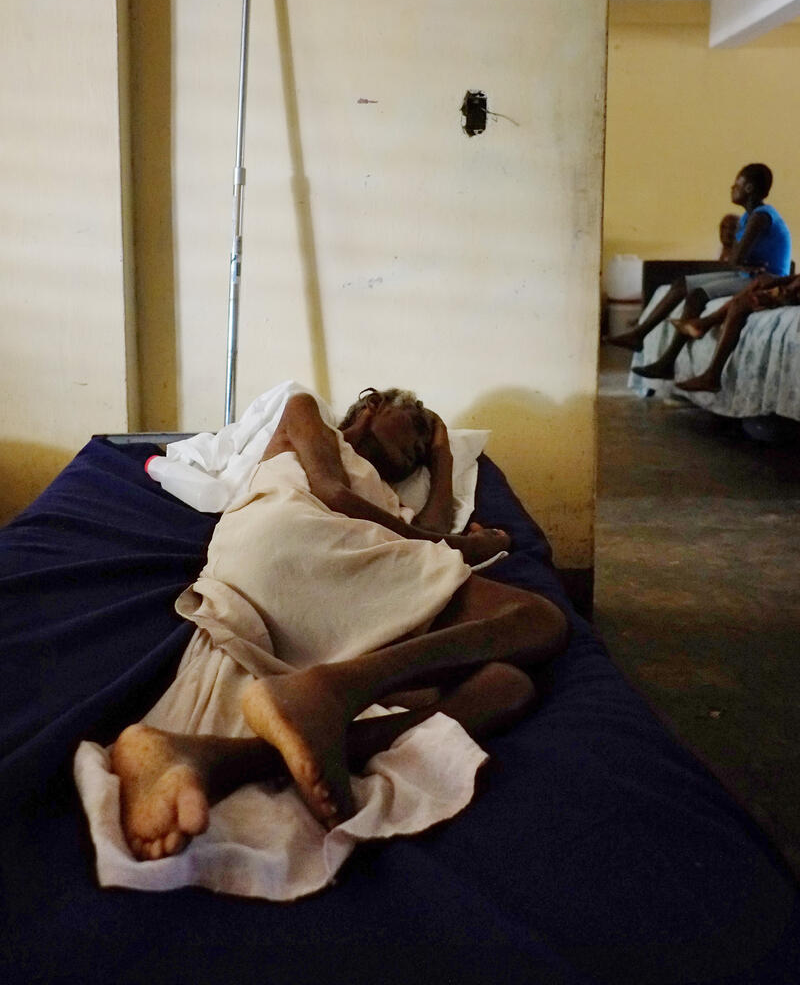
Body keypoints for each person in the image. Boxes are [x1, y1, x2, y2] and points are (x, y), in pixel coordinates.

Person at [110, 387, 570, 862]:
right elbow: (334, 494)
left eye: (422, 449)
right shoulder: (308, 412)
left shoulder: (387, 502)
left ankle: (212, 758)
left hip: (308, 588)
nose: (418, 446)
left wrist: (443, 459)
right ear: (371, 405)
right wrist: (470, 548)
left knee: (505, 686)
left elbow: (429, 535)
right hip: (289, 538)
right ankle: (334, 690)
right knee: (539, 620)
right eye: (415, 424)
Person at [607, 164, 791, 381]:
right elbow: (736, 259)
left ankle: (667, 362)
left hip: (768, 279)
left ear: (749, 188)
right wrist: (740, 262)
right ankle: (639, 334)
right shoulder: (747, 217)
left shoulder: (761, 217)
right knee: (682, 284)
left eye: (737, 184)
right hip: (748, 274)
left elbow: (735, 258)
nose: (732, 188)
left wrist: (740, 262)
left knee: (697, 295)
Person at [672, 273, 800, 392]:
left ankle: (712, 375)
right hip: (791, 291)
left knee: (743, 302)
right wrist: (778, 282)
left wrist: (785, 291)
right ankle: (704, 324)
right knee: (761, 281)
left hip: (793, 296)